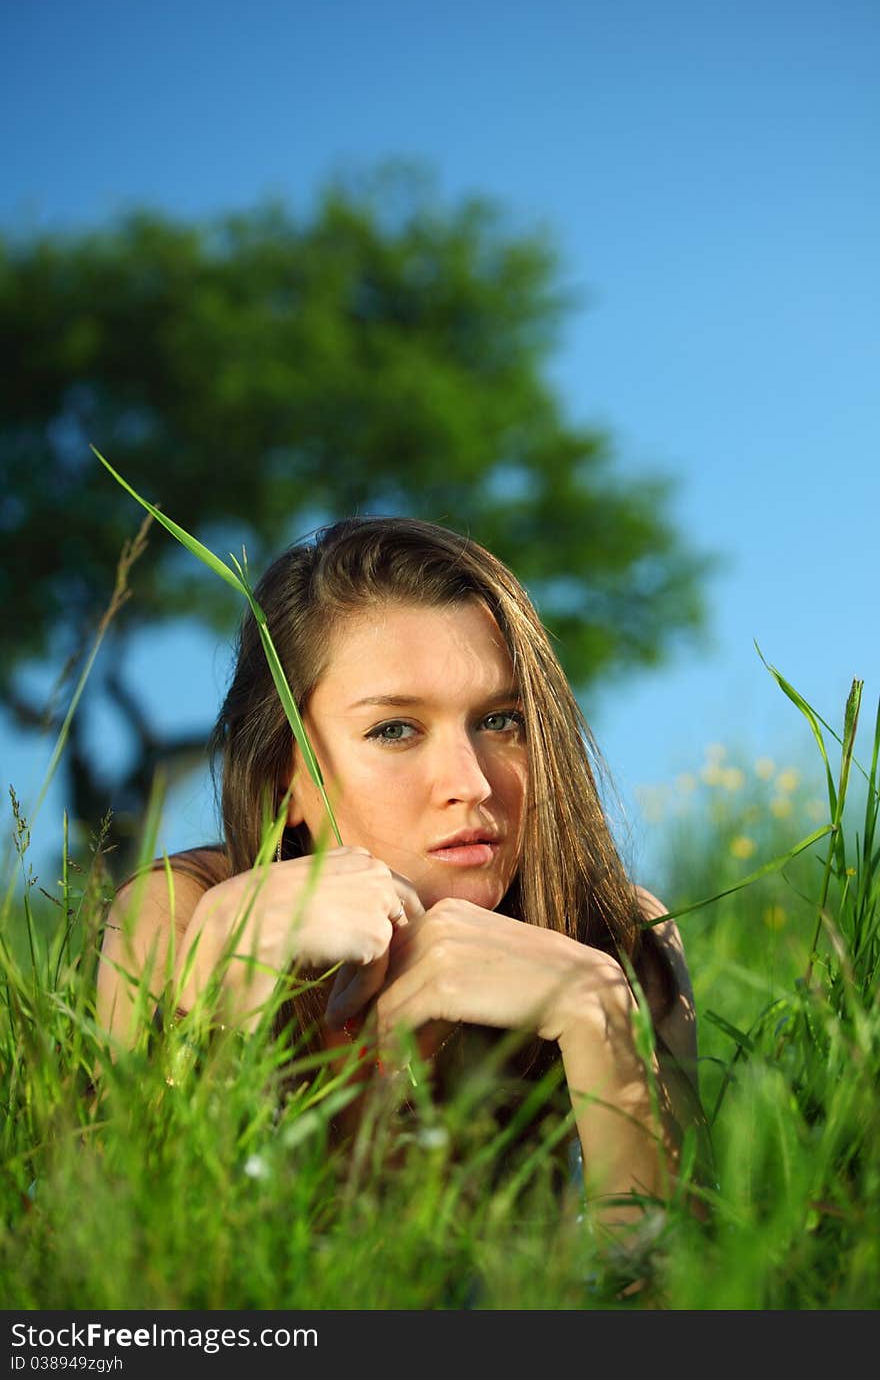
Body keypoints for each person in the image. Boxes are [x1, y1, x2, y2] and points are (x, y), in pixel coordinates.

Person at [96, 515, 700, 1222]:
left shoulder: (616, 939)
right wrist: (217, 992)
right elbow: (125, 1282)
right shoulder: (180, 913)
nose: (470, 783)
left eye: (502, 720)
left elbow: (676, 1301)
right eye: (395, 730)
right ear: (286, 775)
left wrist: (600, 1020)